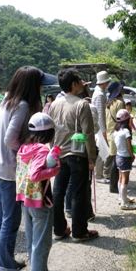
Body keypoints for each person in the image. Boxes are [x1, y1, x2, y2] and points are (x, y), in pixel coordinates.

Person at [0, 66, 56, 271]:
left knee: (1, 218)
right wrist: (26, 155)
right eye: (39, 84)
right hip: (9, 169)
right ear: (31, 85)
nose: (41, 87)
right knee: (10, 220)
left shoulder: (7, 99)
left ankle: (3, 261)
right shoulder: (23, 105)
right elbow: (10, 138)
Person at [49, 68, 99, 243]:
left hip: (59, 153)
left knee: (58, 191)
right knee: (78, 193)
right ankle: (79, 231)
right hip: (78, 154)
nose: (81, 83)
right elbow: (88, 134)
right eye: (79, 80)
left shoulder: (54, 105)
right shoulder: (81, 104)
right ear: (73, 84)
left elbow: (50, 131)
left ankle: (59, 229)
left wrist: (52, 151)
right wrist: (92, 158)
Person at [16, 112, 61, 271]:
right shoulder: (42, 149)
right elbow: (35, 175)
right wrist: (54, 170)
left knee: (32, 242)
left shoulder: (24, 147)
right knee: (42, 244)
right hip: (40, 201)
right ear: (49, 133)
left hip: (24, 199)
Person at [114, 109, 136, 210]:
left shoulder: (117, 131)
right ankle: (124, 203)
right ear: (127, 120)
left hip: (118, 156)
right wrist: (132, 155)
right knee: (125, 180)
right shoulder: (126, 131)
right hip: (125, 157)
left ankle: (121, 198)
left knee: (120, 178)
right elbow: (128, 146)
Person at [105, 81, 125, 192]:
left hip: (109, 133)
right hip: (117, 134)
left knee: (113, 159)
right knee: (117, 162)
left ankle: (113, 185)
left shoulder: (108, 102)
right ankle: (113, 186)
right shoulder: (120, 103)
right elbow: (121, 120)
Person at [92, 70, 111, 183]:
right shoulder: (99, 95)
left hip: (98, 127)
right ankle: (98, 175)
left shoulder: (99, 92)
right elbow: (100, 115)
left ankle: (99, 174)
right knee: (101, 150)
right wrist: (103, 131)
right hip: (99, 128)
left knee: (101, 149)